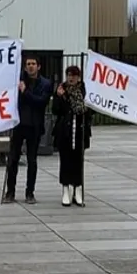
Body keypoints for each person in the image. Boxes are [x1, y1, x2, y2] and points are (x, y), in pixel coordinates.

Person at [3, 56, 53, 204]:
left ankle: (30, 193)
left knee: (32, 160)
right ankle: (10, 192)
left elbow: (41, 102)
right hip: (19, 125)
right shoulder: (17, 81)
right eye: (28, 64)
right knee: (13, 159)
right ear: (25, 67)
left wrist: (25, 92)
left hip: (34, 126)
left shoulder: (45, 84)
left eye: (33, 64)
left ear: (38, 66)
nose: (31, 66)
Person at [52, 65, 92, 207]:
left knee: (78, 160)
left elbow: (90, 111)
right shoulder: (61, 89)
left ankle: (78, 188)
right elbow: (55, 110)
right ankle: (65, 188)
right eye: (69, 75)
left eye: (74, 75)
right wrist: (60, 97)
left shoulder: (85, 91)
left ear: (78, 77)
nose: (71, 78)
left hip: (80, 130)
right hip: (65, 131)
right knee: (65, 160)